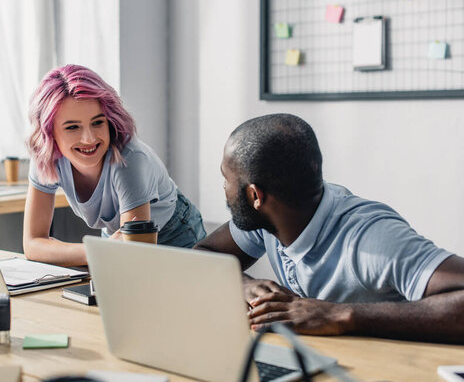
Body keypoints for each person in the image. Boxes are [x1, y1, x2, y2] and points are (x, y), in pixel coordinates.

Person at [194, 113, 464, 343]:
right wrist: (243, 285)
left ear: (255, 196)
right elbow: (203, 254)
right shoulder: (268, 220)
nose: (224, 188)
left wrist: (342, 315)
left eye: (225, 178)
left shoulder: (372, 240)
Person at [23, 64, 205, 266]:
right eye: (72, 127)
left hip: (174, 233)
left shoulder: (129, 160)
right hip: (116, 238)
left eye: (97, 122)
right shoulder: (46, 156)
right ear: (49, 133)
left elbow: (131, 255)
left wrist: (103, 251)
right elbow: (32, 244)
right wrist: (96, 251)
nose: (89, 138)